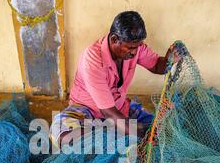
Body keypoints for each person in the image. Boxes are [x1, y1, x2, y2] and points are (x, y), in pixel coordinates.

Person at [51, 11, 184, 147]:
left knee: (161, 129)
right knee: (63, 136)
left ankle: (114, 134)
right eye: (130, 48)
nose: (134, 52)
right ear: (114, 39)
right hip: (87, 112)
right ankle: (114, 134)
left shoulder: (136, 48)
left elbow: (157, 66)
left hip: (119, 109)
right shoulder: (92, 59)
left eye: (137, 47)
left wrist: (169, 60)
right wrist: (141, 134)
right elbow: (108, 111)